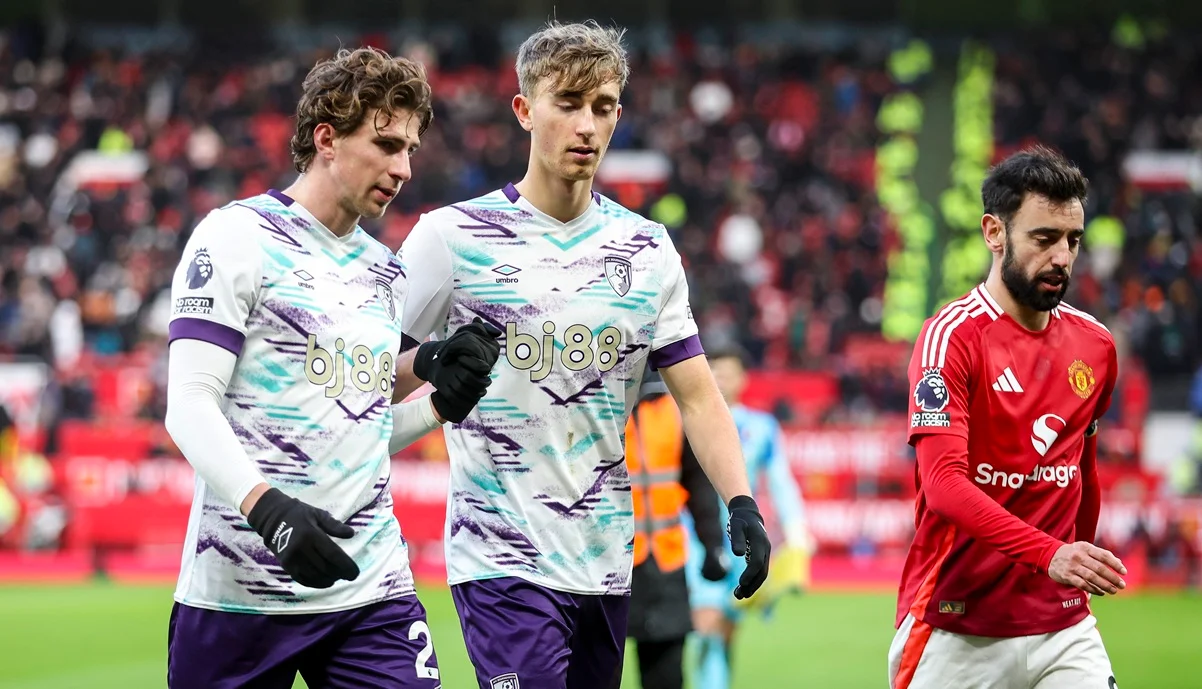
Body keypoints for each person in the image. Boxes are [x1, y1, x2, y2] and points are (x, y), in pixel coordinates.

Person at [396, 20, 772, 689]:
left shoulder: (647, 249)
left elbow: (696, 394)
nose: (586, 126)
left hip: (606, 562)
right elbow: (367, 374)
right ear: (524, 110)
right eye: (567, 103)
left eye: (601, 108)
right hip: (501, 561)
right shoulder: (451, 239)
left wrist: (741, 500)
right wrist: (429, 366)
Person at [162, 46, 501, 689]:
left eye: (410, 150)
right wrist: (267, 509)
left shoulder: (385, 271)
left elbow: (359, 424)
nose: (403, 168)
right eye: (386, 144)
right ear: (326, 138)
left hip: (370, 590)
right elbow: (190, 403)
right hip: (239, 592)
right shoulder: (237, 238)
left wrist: (435, 394)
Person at [889, 145, 1126, 689]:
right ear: (994, 233)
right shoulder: (950, 338)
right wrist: (1052, 555)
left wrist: (1076, 564)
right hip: (957, 627)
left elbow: (1080, 468)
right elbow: (945, 485)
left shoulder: (1096, 346)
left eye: (1073, 241)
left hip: (1063, 625)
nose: (1062, 258)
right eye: (1043, 239)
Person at [686, 346, 811, 689]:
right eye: (714, 373)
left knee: (725, 631)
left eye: (727, 372)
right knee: (706, 625)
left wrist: (797, 533)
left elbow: (781, 482)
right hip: (695, 539)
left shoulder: (762, 427)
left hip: (741, 542)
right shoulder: (688, 422)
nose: (721, 379)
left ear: (743, 378)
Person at [618, 370, 726, 689]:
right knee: (593, 672)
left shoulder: (674, 412)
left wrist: (713, 545)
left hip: (665, 563)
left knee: (665, 676)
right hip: (605, 565)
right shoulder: (596, 408)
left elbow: (699, 484)